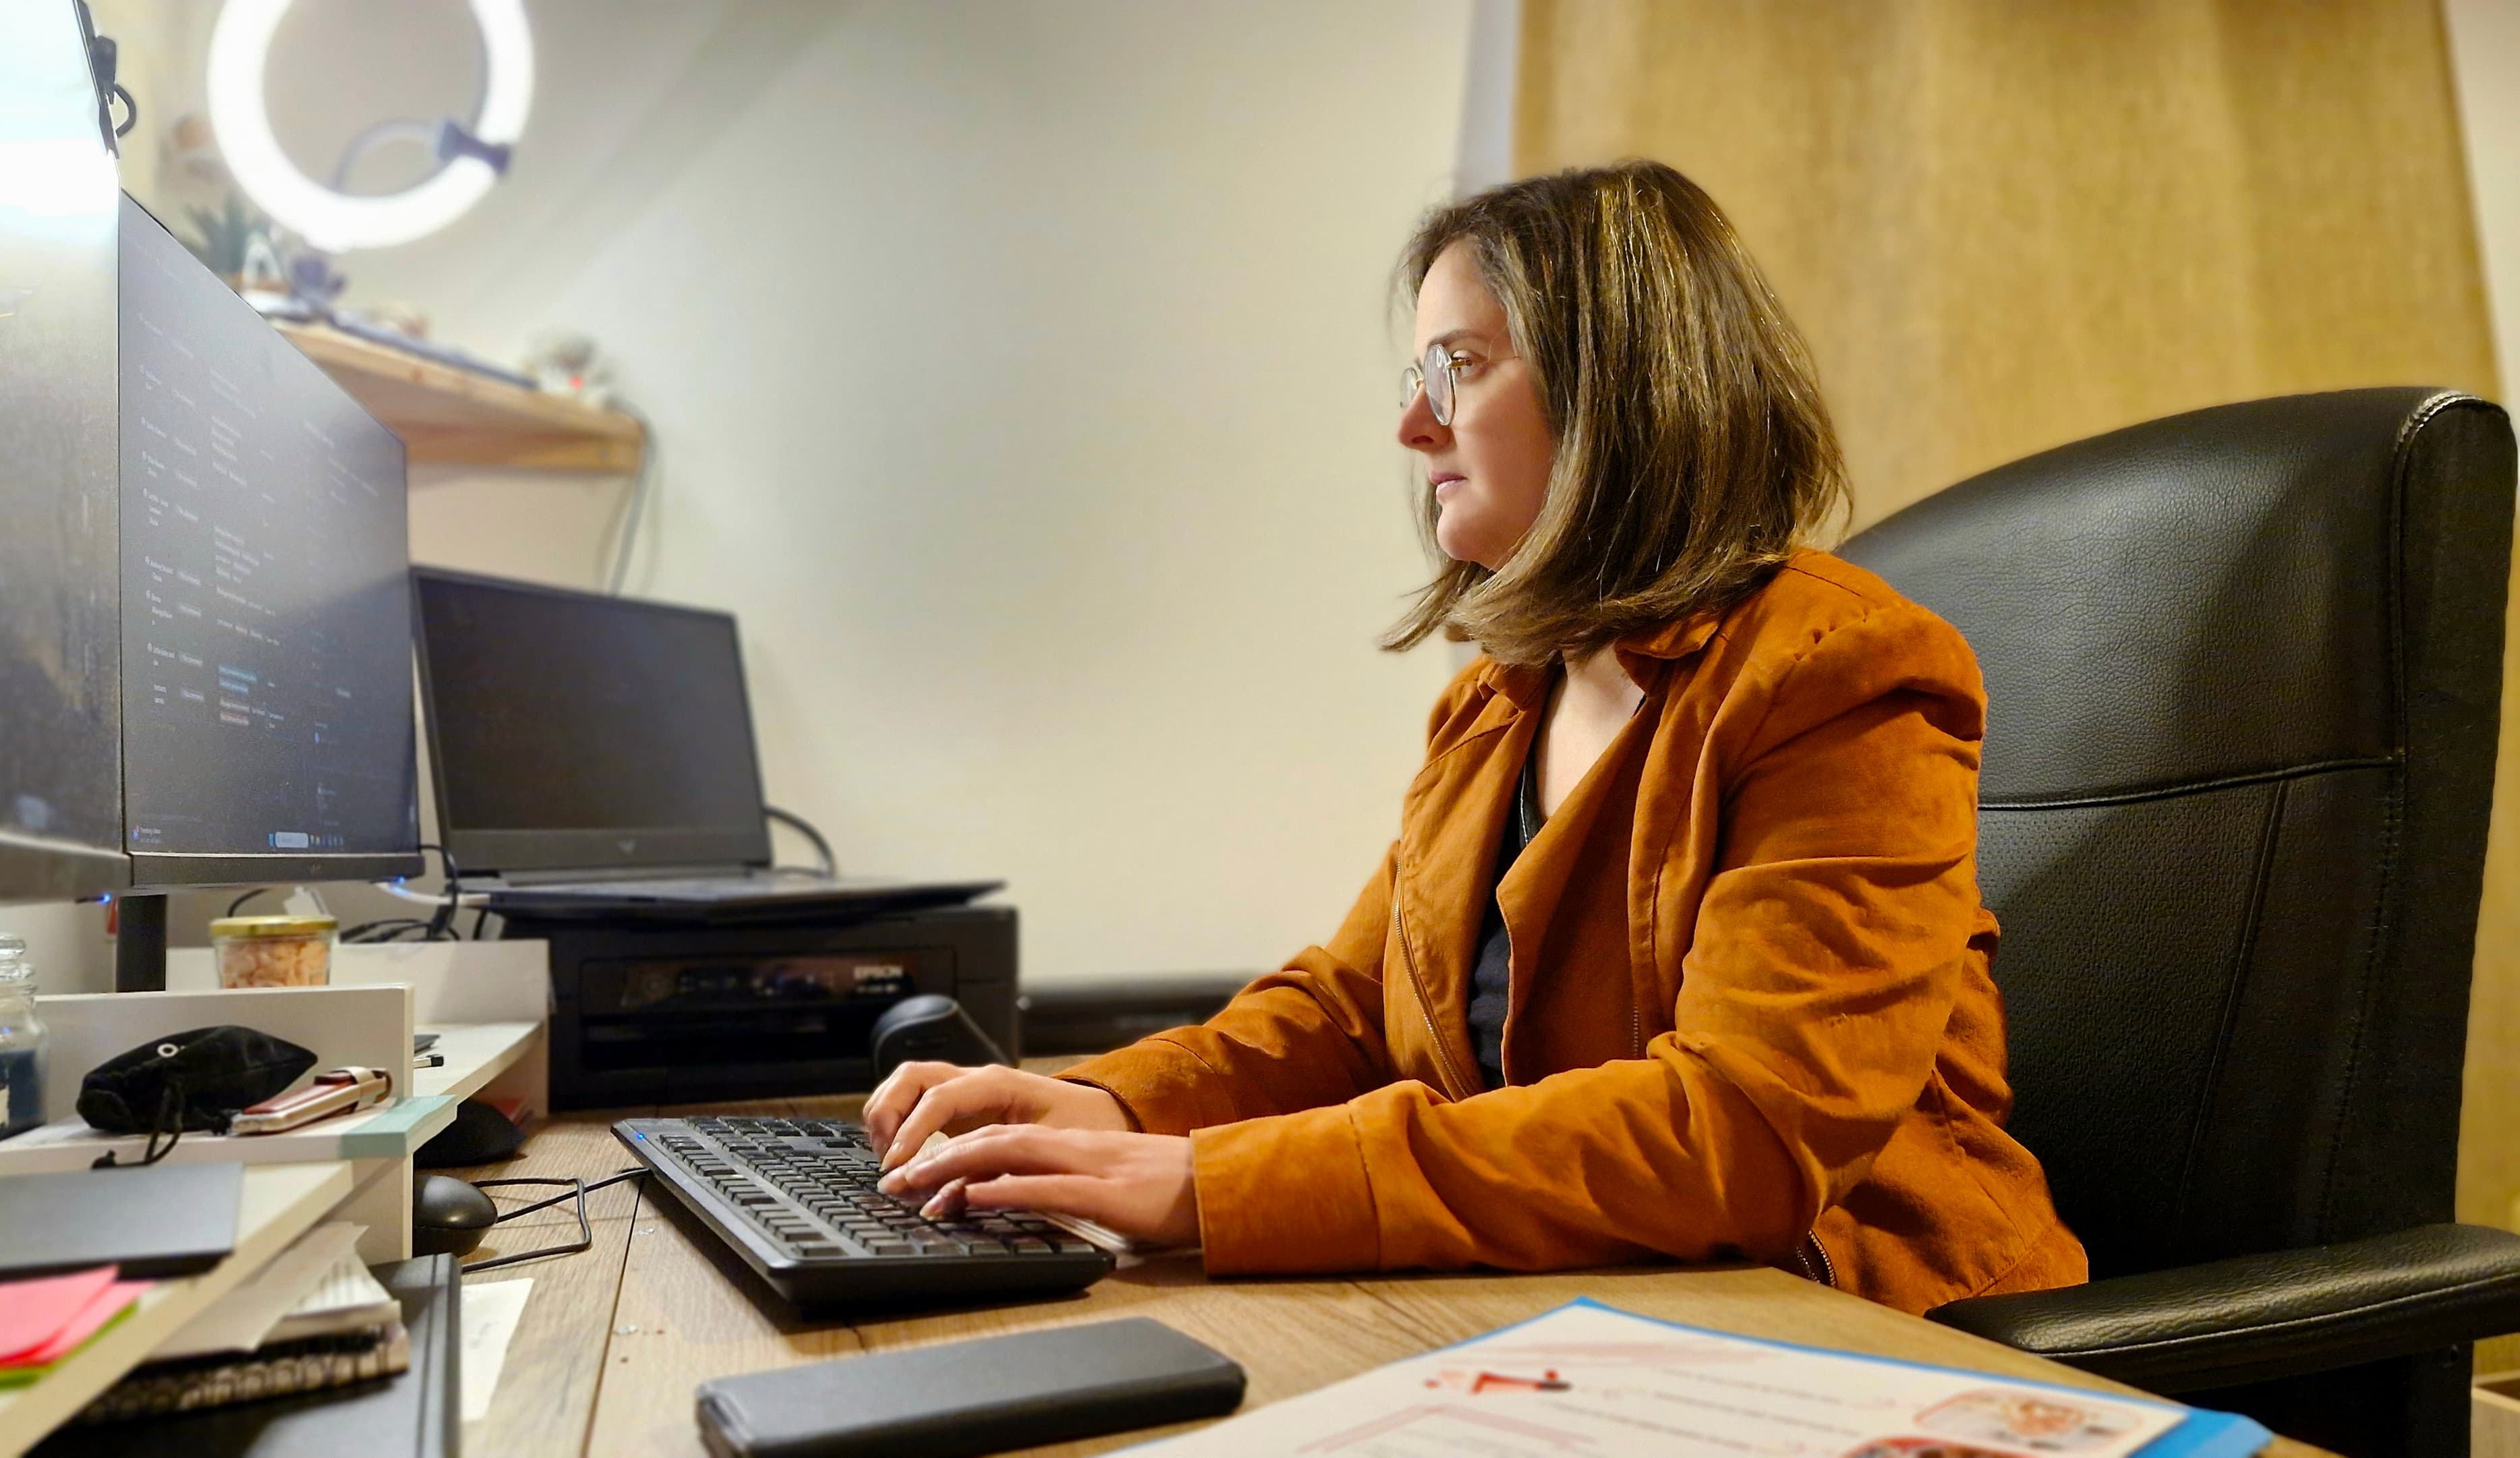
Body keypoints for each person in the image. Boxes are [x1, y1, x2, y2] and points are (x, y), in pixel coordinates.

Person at [868, 160, 2086, 1314]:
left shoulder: (1841, 673)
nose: (1412, 426)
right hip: (1592, 1294)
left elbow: (1744, 1134)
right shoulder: (1498, 701)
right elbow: (1348, 1011)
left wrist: (1210, 1184)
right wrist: (1102, 1105)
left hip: (1854, 1320)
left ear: (1622, 383)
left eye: (1458, 367)